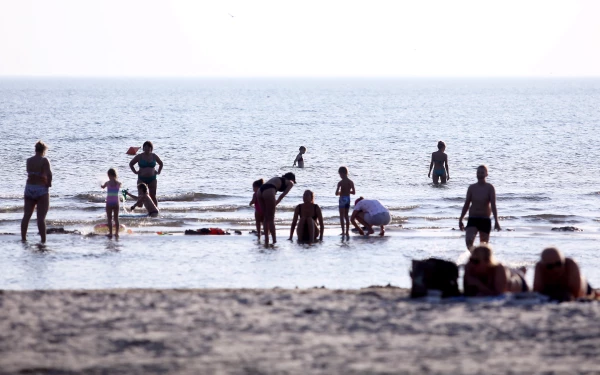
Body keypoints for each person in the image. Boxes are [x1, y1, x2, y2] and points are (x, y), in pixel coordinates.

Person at [458, 165, 501, 251]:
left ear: (486, 174)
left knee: (484, 246)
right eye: (478, 172)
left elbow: (493, 205)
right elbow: (466, 204)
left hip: (485, 219)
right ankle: (475, 257)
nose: (480, 174)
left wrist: (496, 221)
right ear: (476, 174)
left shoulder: (490, 188)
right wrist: (461, 219)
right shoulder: (472, 188)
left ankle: (481, 261)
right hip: (473, 218)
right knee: (468, 242)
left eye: (482, 172)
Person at [463, 245, 528, 296]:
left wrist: (478, 284)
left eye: (476, 261)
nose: (472, 264)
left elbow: (499, 294)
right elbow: (467, 293)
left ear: (487, 261)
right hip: (507, 275)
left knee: (515, 273)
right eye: (471, 260)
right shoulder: (470, 267)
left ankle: (521, 270)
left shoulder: (498, 269)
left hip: (520, 283)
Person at [21, 140, 53, 243]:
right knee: (40, 217)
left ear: (35, 149)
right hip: (41, 189)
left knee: (26, 215)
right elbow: (49, 174)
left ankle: (23, 238)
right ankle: (43, 241)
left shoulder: (28, 160)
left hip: (29, 188)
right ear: (44, 150)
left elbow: (30, 173)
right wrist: (49, 184)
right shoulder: (44, 160)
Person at [257, 172, 296, 245]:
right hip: (269, 190)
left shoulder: (277, 179)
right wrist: (274, 204)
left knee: (266, 217)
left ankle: (266, 239)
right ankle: (274, 240)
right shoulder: (291, 182)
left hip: (260, 191)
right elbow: (282, 196)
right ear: (292, 179)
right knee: (271, 218)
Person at [129, 141, 163, 207]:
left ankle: (155, 211)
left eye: (149, 147)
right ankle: (139, 212)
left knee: (153, 196)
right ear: (143, 148)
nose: (147, 149)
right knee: (140, 197)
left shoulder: (154, 156)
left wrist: (159, 171)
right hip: (141, 179)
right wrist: (135, 171)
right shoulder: (139, 156)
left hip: (152, 179)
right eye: (145, 147)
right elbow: (131, 164)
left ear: (151, 148)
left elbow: (161, 163)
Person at [100, 168, 122, 238]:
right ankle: (117, 233)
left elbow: (103, 187)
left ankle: (110, 233)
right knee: (116, 218)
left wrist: (101, 185)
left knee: (109, 218)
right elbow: (120, 187)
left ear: (109, 175)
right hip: (116, 202)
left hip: (109, 202)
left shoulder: (107, 183)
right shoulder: (118, 183)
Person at [335, 166, 355, 237]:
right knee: (346, 215)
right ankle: (347, 232)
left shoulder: (340, 183)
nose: (340, 176)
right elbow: (354, 192)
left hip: (342, 199)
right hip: (348, 199)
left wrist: (341, 192)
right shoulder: (350, 182)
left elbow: (336, 193)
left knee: (341, 216)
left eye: (340, 174)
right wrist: (347, 191)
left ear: (342, 173)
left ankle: (343, 231)